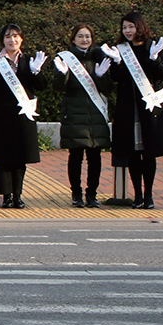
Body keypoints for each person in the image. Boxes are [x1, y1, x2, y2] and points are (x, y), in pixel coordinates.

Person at [102, 10, 163, 209]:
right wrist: (117, 62)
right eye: (124, 27)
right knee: (132, 152)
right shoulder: (121, 49)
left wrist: (154, 58)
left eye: (131, 27)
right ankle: (138, 195)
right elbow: (116, 78)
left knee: (149, 152)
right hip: (128, 108)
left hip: (149, 109)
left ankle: (149, 195)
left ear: (140, 26)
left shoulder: (154, 46)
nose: (127, 31)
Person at [0, 23, 45, 209]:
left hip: (23, 115)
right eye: (8, 36)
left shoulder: (29, 61)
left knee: (20, 157)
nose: (12, 40)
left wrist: (36, 72)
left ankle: (18, 195)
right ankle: (6, 196)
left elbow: (41, 86)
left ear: (21, 39)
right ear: (2, 40)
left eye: (15, 36)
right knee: (3, 157)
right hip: (0, 116)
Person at [53, 23, 114, 207]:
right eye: (80, 36)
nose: (84, 39)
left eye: (87, 36)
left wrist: (101, 77)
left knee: (95, 157)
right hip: (74, 114)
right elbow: (58, 88)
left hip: (96, 114)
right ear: (73, 39)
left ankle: (92, 195)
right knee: (75, 156)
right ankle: (76, 194)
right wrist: (62, 74)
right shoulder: (65, 58)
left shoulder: (100, 59)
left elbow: (108, 89)